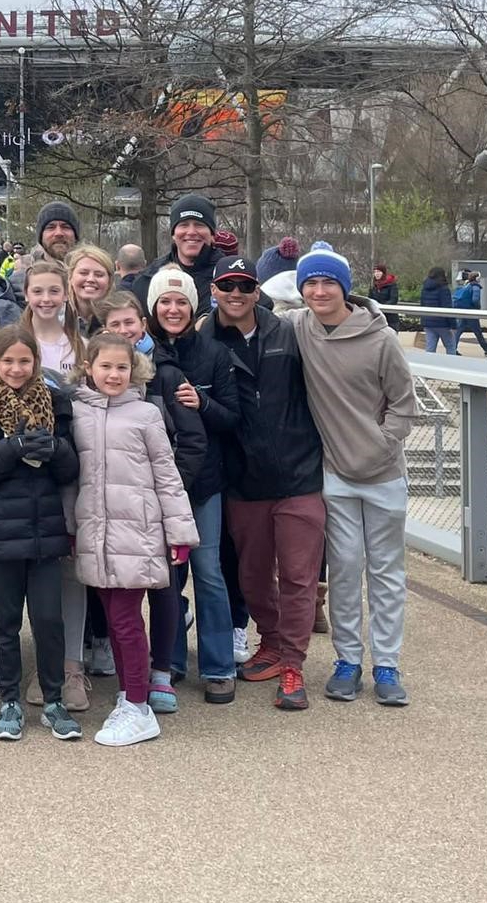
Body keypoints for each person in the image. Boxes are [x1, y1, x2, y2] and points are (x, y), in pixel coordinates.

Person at [286, 244, 415, 707]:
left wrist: (383, 443)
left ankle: (387, 663)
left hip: (382, 474)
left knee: (386, 572)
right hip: (335, 475)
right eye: (311, 283)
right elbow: (257, 305)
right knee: (343, 570)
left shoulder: (380, 340)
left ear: (345, 288)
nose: (320, 291)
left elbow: (405, 404)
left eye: (328, 282)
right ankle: (347, 661)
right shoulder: (298, 328)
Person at [196, 255, 325, 711]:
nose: (235, 294)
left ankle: (293, 663)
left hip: (298, 473)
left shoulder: (286, 333)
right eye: (227, 285)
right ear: (213, 290)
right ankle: (270, 641)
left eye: (244, 286)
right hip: (243, 479)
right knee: (251, 576)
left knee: (297, 575)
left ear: (257, 291)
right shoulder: (202, 338)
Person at [72, 333, 199, 747]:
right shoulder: (76, 412)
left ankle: (139, 706)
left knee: (126, 620)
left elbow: (167, 474)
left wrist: (179, 531)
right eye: (105, 366)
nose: (113, 374)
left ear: (134, 370)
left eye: (121, 367)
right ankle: (130, 697)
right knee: (113, 618)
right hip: (96, 532)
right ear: (89, 367)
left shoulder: (145, 414)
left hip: (138, 532)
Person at [0, 324, 82, 742]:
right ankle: (9, 698)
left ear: (36, 362)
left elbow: (72, 469)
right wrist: (9, 449)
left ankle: (53, 699)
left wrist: (56, 450)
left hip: (45, 530)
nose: (16, 368)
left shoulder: (55, 401)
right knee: (5, 624)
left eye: (24, 361)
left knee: (48, 620)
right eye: (7, 360)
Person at [146, 264, 242, 705]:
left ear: (193, 306)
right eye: (164, 301)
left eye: (180, 301)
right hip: (155, 487)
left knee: (208, 572)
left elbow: (232, 417)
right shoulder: (141, 356)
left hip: (203, 484)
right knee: (168, 577)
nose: (172, 309)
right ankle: (171, 660)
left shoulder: (213, 354)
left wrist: (202, 401)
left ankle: (219, 665)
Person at [132, 194, 221, 312]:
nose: (191, 232)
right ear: (173, 234)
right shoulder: (148, 278)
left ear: (212, 234)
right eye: (183, 225)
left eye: (199, 225)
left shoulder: (228, 279)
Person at [23, 260, 82, 384]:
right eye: (37, 291)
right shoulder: (12, 343)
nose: (46, 299)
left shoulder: (81, 346)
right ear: (26, 294)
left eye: (54, 291)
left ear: (65, 294)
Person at [7, 201, 81, 295]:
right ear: (41, 236)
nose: (59, 233)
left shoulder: (91, 277)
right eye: (51, 227)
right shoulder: (17, 283)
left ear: (76, 235)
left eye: (65, 227)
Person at [66, 245, 116, 334]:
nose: (91, 279)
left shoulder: (119, 317)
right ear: (70, 277)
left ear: (109, 281)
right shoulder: (55, 318)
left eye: (99, 275)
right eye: (83, 273)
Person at [454, 271, 487, 355]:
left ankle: (453, 348)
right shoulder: (476, 287)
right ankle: (486, 349)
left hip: (463, 311)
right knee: (477, 331)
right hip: (471, 312)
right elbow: (475, 300)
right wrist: (477, 307)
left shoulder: (467, 285)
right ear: (477, 278)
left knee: (459, 330)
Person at [419, 266, 455, 355]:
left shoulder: (425, 288)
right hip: (442, 323)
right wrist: (453, 325)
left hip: (428, 322)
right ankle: (453, 365)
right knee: (450, 345)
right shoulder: (444, 289)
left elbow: (422, 304)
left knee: (430, 348)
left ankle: (429, 366)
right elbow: (447, 307)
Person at [371, 263, 400, 331]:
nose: (376, 274)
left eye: (379, 272)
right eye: (375, 272)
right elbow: (370, 300)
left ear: (383, 273)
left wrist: (382, 307)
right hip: (378, 319)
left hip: (391, 319)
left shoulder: (392, 285)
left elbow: (393, 299)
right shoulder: (374, 286)